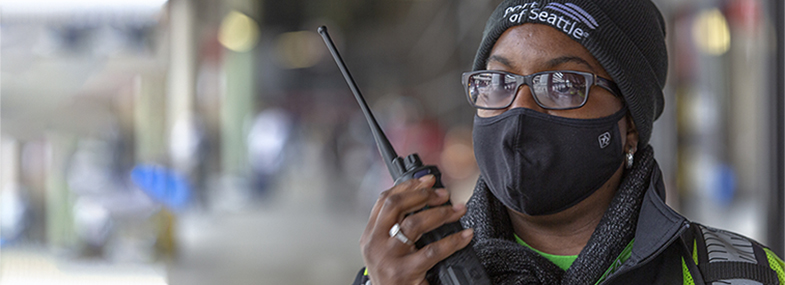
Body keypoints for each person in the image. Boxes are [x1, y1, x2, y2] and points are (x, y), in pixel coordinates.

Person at [353, 0, 785, 284]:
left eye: (561, 84)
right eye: (498, 81)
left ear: (629, 124)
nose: (518, 111)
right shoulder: (409, 272)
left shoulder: (742, 274)